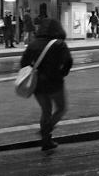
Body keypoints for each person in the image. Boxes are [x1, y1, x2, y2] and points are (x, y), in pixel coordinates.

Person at [21, 17, 72, 151]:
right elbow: (68, 61)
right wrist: (61, 73)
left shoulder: (33, 44)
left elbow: (23, 64)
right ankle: (46, 132)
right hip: (54, 82)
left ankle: (46, 140)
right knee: (61, 108)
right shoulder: (59, 44)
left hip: (37, 83)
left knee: (46, 110)